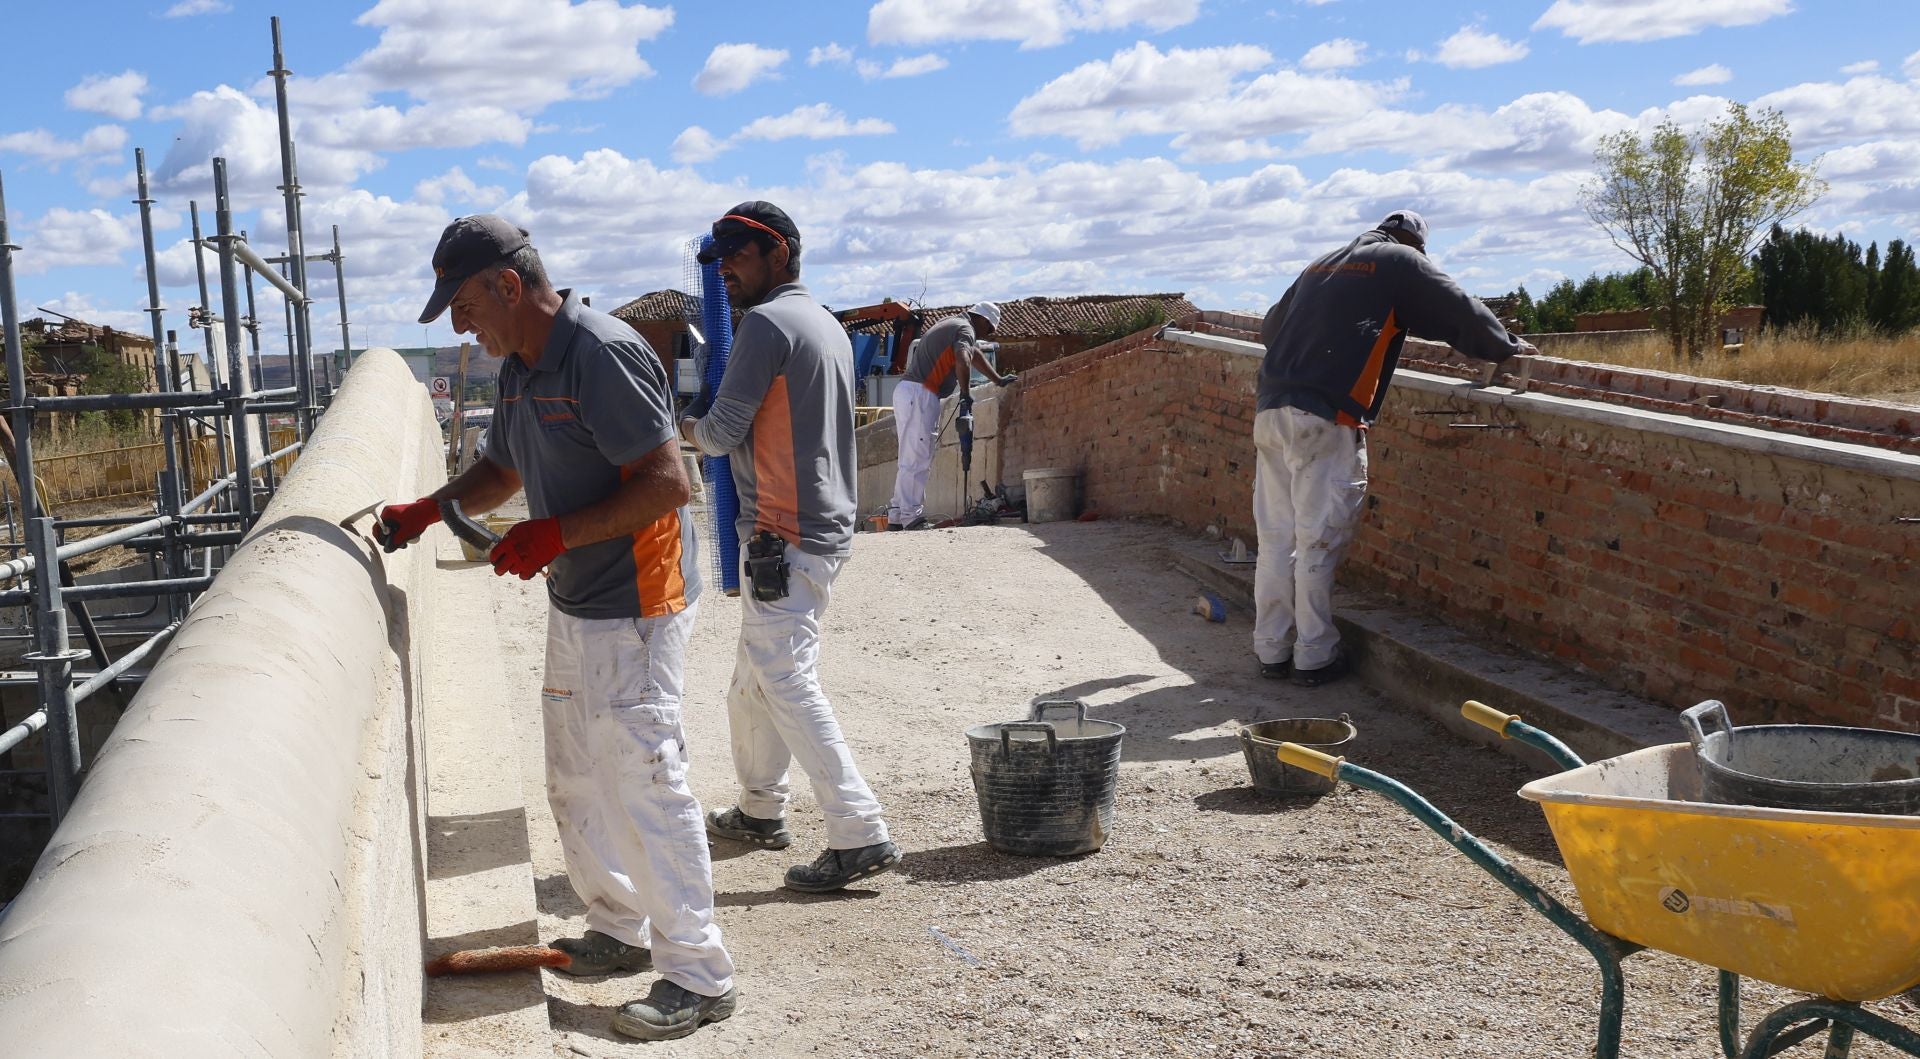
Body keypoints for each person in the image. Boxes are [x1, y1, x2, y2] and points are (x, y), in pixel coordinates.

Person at [379, 215, 736, 1042]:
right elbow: (504, 465)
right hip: (578, 597)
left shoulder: (599, 353)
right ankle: (618, 926)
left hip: (639, 598)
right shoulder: (521, 364)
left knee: (647, 778)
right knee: (574, 776)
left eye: (464, 304)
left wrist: (552, 534)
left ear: (510, 285)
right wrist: (433, 508)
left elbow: (666, 483)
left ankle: (700, 973)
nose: (461, 324)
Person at [679, 201, 901, 893]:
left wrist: (676, 425)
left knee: (784, 678)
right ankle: (759, 808)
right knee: (753, 683)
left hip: (785, 533)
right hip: (813, 529)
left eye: (738, 258)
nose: (727, 276)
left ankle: (858, 828)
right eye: (719, 263)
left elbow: (719, 432)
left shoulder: (768, 325)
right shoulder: (823, 321)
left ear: (779, 255)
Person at [1253, 209, 1536, 687]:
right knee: (1318, 537)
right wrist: (1504, 346)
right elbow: (1454, 306)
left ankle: (1270, 649)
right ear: (1417, 245)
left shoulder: (1324, 263)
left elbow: (1269, 330)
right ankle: (1314, 655)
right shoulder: (1400, 261)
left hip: (1272, 407)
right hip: (1326, 414)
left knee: (1277, 538)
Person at [887, 304, 1016, 530]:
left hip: (909, 392)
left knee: (909, 456)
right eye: (990, 328)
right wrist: (965, 394)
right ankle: (911, 517)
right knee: (919, 457)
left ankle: (897, 516)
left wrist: (997, 379)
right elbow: (963, 358)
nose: (988, 333)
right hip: (921, 393)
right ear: (983, 320)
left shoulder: (952, 324)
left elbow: (973, 354)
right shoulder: (965, 329)